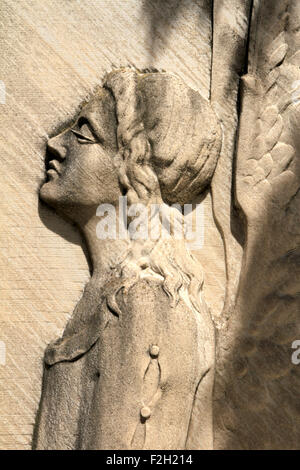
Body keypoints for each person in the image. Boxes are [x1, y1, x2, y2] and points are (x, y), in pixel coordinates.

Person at [33, 68, 222, 450]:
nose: (54, 142)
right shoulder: (116, 295)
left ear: (134, 170)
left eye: (83, 134)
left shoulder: (146, 304)